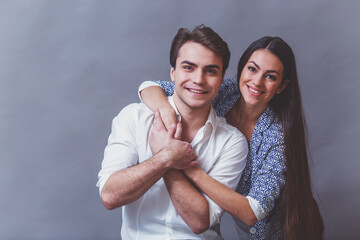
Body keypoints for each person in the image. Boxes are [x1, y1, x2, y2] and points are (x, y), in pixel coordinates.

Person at [139, 36, 324, 239]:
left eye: (270, 77)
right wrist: (166, 112)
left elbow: (253, 212)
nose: (257, 81)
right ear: (241, 69)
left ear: (281, 86)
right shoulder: (226, 92)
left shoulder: (277, 136)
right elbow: (150, 87)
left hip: (274, 231)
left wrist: (185, 165)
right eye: (252, 69)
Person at [97, 25, 248, 239]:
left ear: (222, 79)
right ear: (172, 72)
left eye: (211, 71)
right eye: (188, 67)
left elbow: (200, 221)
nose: (198, 79)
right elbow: (110, 196)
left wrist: (167, 156)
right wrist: (166, 158)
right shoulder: (133, 118)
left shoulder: (232, 142)